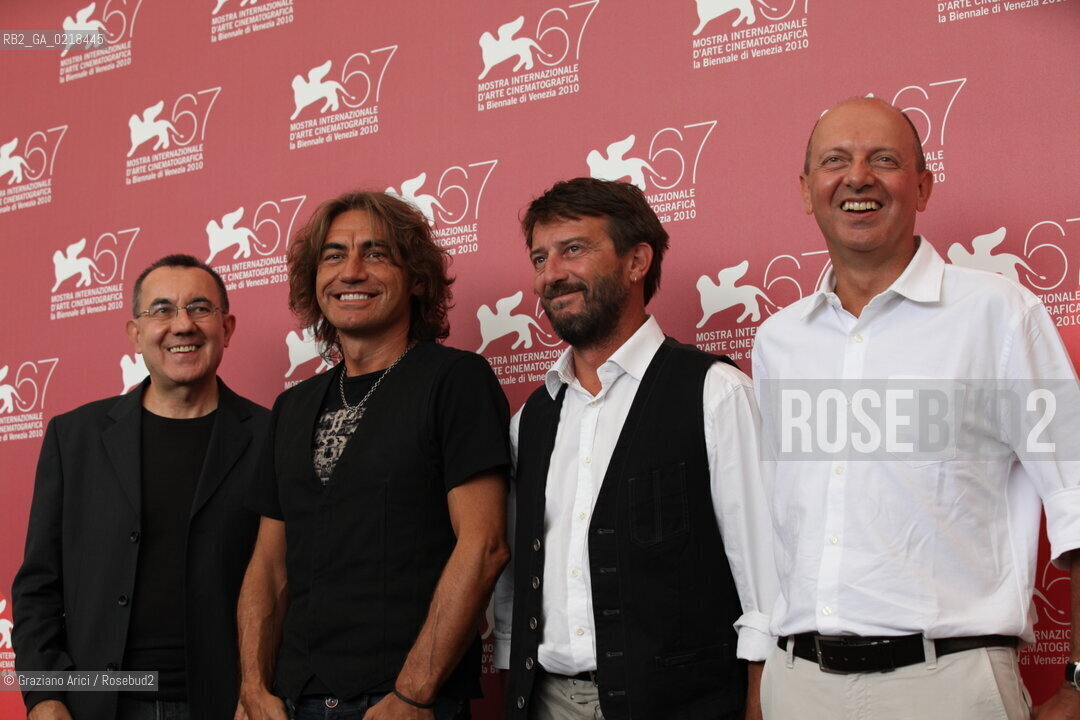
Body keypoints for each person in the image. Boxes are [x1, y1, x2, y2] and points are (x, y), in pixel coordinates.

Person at [752, 97, 1080, 719]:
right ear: (805, 190)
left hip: (950, 687)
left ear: (923, 186)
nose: (858, 178)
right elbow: (780, 523)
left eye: (884, 159)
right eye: (835, 161)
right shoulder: (777, 341)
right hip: (799, 687)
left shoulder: (999, 315)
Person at [494, 178, 778, 720]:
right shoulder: (531, 418)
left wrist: (759, 702)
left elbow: (763, 583)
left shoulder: (714, 392)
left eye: (573, 249)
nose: (551, 274)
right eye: (540, 257)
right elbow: (517, 586)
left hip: (679, 704)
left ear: (636, 261)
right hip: (545, 702)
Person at [237, 191, 510, 720]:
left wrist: (413, 692)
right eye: (334, 255)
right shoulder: (292, 407)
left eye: (377, 254)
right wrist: (252, 687)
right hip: (292, 700)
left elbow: (485, 546)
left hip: (399, 700)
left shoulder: (455, 381)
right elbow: (269, 567)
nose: (352, 271)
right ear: (314, 281)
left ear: (417, 279)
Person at [12, 254, 269, 720]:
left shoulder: (272, 438)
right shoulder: (75, 438)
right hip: (99, 704)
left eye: (200, 308)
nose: (183, 325)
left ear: (227, 328)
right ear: (135, 334)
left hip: (228, 705)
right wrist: (44, 698)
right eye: (163, 310)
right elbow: (37, 588)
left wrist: (263, 691)